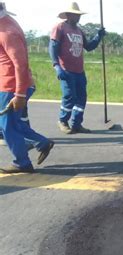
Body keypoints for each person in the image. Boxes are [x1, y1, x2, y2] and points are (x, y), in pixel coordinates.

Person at [0, 2, 54, 174]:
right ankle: (40, 143)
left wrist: (19, 94)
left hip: (11, 86)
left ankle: (22, 162)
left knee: (7, 126)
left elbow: (20, 64)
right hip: (11, 85)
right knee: (12, 123)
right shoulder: (5, 24)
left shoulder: (7, 31)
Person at [49, 2, 105, 134]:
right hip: (66, 69)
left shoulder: (79, 31)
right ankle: (63, 121)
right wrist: (56, 66)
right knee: (69, 96)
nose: (78, 17)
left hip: (79, 71)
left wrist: (98, 36)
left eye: (79, 15)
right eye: (75, 15)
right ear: (68, 15)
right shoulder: (60, 27)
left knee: (81, 98)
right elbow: (52, 47)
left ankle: (76, 124)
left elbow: (89, 47)